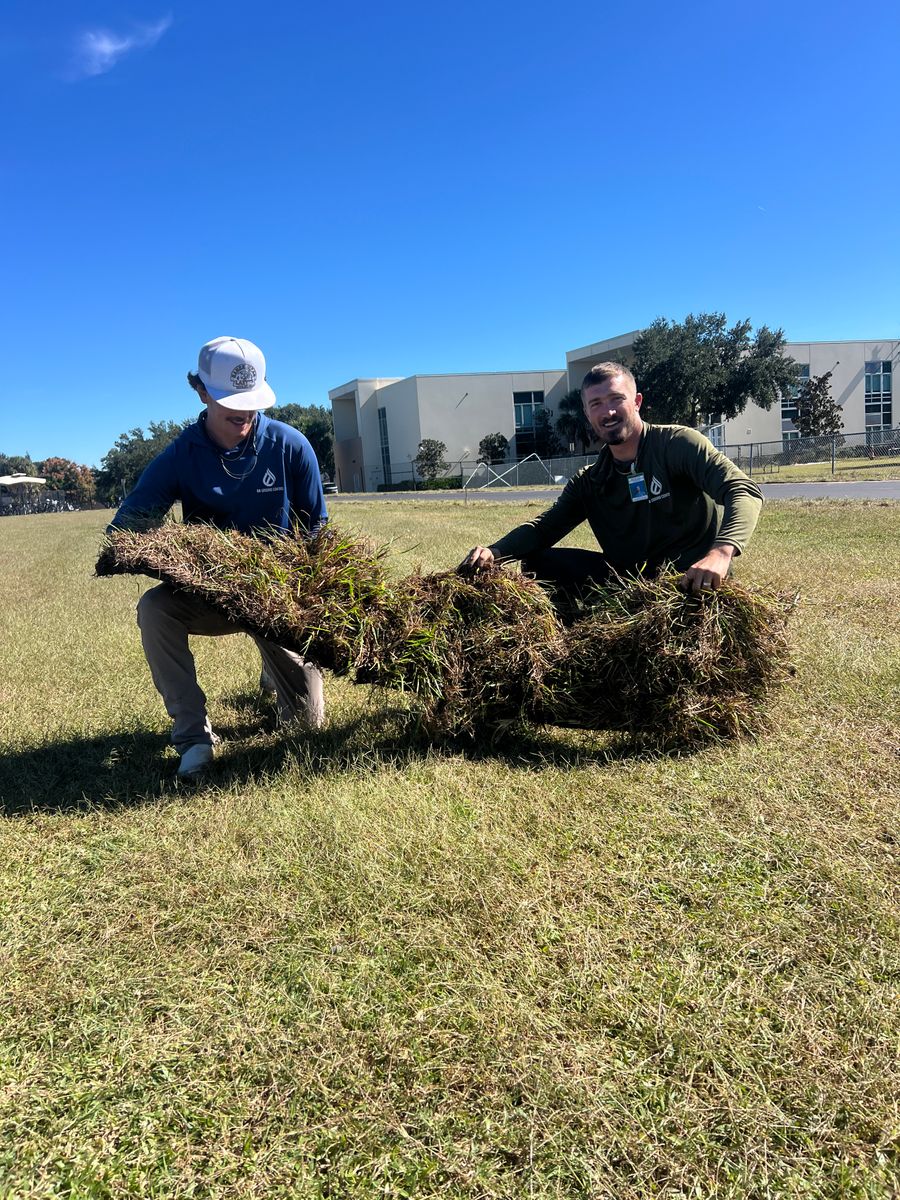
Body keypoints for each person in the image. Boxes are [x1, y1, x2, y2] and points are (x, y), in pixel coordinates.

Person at [110, 336, 327, 778]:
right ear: (202, 392)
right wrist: (153, 552)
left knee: (308, 727)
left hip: (276, 597)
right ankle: (193, 737)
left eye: (250, 403)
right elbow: (126, 524)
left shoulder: (290, 446)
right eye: (231, 403)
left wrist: (301, 593)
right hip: (209, 593)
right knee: (154, 608)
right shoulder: (181, 455)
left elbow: (316, 528)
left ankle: (275, 665)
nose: (244, 414)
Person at [459, 361, 763, 604]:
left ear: (637, 401)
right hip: (631, 586)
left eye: (617, 399)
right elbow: (543, 529)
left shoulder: (676, 444)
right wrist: (495, 552)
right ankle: (574, 638)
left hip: (689, 583)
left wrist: (721, 553)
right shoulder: (591, 480)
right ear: (587, 413)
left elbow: (742, 490)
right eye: (596, 404)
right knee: (539, 562)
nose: (608, 412)